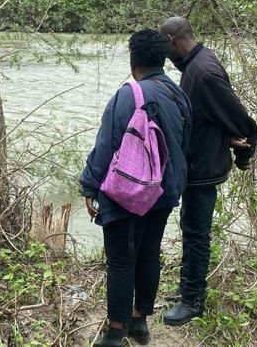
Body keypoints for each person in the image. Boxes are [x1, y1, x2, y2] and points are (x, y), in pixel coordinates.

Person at [80, 29, 191, 347]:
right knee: (147, 255)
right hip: (164, 191)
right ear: (162, 59)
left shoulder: (128, 94)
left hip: (127, 191)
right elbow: (186, 143)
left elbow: (106, 147)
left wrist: (89, 186)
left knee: (120, 260)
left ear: (133, 60)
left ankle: (115, 333)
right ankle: (139, 323)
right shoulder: (177, 93)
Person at [159, 16, 257, 325]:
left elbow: (242, 123)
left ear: (173, 41)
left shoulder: (203, 73)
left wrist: (244, 155)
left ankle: (193, 301)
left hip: (204, 165)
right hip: (195, 162)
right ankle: (187, 287)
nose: (166, 56)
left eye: (165, 49)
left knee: (197, 232)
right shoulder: (196, 63)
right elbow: (208, 114)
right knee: (190, 227)